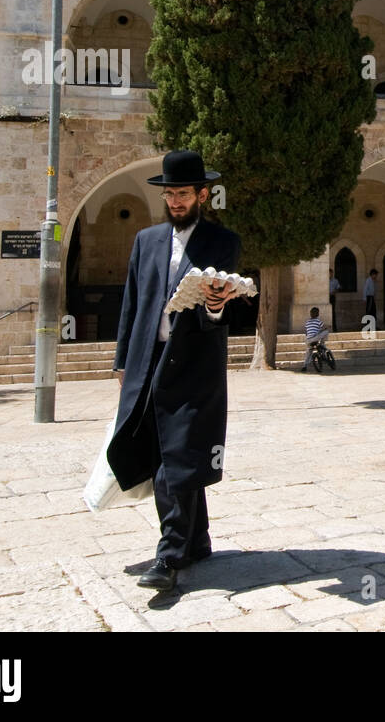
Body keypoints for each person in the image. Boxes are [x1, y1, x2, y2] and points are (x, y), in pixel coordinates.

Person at [108, 149, 242, 592]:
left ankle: (167, 558)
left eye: (184, 194)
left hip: (195, 368)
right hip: (148, 363)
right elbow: (131, 304)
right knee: (160, 452)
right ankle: (197, 539)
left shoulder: (222, 242)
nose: (176, 202)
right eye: (170, 195)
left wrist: (217, 308)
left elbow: (218, 309)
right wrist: (123, 362)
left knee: (176, 458)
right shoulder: (145, 241)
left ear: (203, 194)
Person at [303, 306, 330, 371]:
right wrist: (328, 326)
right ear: (318, 314)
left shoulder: (307, 322)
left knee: (309, 351)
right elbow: (324, 327)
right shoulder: (318, 321)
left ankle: (304, 366)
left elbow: (306, 331)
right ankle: (322, 343)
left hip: (308, 340)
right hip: (315, 338)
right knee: (326, 331)